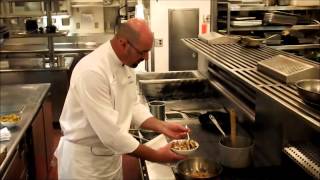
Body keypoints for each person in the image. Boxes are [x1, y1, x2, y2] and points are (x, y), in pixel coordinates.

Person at [55, 18, 189, 179]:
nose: (146, 57)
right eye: (142, 52)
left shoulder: (126, 63)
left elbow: (132, 105)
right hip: (84, 165)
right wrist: (157, 156)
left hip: (111, 159)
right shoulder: (92, 72)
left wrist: (162, 126)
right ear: (123, 43)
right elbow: (112, 135)